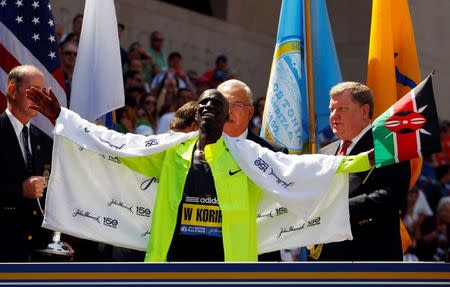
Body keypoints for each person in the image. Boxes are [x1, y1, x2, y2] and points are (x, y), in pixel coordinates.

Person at [27, 87, 374, 262]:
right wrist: (63, 116)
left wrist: (367, 159)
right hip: (174, 260)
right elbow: (116, 144)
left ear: (228, 117)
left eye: (217, 105)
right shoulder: (170, 150)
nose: (209, 107)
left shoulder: (248, 154)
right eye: (204, 103)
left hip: (226, 264)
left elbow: (303, 167)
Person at [312, 81, 410, 261]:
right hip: (325, 260)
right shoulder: (325, 152)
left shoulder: (387, 146)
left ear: (365, 111)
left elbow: (390, 196)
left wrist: (337, 208)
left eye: (342, 109)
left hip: (369, 259)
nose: (334, 116)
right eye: (332, 109)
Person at [217, 79, 287, 261]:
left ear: (250, 112)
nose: (228, 111)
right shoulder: (198, 149)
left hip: (259, 250)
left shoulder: (274, 153)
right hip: (212, 251)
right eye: (222, 105)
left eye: (235, 105)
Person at [0, 65, 53, 261]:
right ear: (12, 91)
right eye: (34, 91)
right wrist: (20, 190)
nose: (41, 98)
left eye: (43, 92)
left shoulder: (46, 141)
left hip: (38, 251)